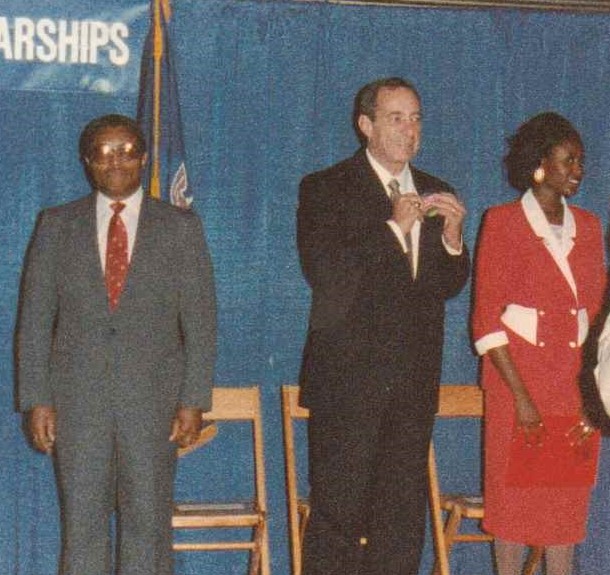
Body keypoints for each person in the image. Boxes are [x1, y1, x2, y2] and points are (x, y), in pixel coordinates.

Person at [16, 114, 217, 575]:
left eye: (127, 150)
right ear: (88, 162)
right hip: (76, 406)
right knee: (82, 528)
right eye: (105, 152)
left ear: (144, 158)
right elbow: (34, 320)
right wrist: (37, 399)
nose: (117, 161)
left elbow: (201, 321)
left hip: (153, 407)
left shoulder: (180, 228)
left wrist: (192, 400)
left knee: (147, 528)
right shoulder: (56, 225)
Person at [296, 77, 470, 575]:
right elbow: (326, 274)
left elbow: (445, 285)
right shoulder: (325, 187)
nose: (409, 129)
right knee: (337, 521)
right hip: (347, 386)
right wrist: (394, 228)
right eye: (397, 118)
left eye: (416, 118)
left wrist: (453, 239)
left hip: (412, 387)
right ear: (366, 125)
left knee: (401, 524)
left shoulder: (439, 191)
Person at [471, 112, 605, 575]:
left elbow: (600, 319)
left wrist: (597, 402)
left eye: (581, 161)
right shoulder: (503, 222)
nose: (578, 170)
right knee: (513, 516)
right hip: (518, 389)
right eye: (568, 159)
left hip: (572, 390)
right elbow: (487, 321)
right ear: (539, 163)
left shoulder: (588, 227)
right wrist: (522, 399)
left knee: (564, 516)